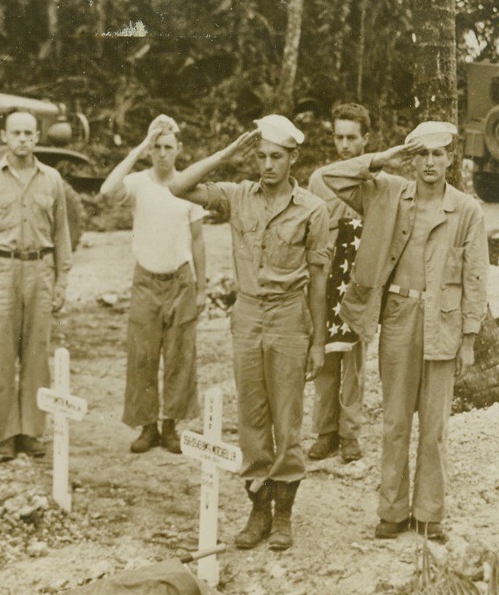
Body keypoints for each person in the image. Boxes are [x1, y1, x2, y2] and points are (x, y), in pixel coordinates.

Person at [317, 121, 488, 543]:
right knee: (394, 421)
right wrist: (380, 159)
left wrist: (468, 338)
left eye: (438, 153)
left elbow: (476, 276)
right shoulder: (388, 191)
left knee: (435, 425)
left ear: (451, 157)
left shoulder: (466, 210)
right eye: (421, 154)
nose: (429, 163)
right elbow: (327, 177)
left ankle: (429, 514)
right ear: (410, 158)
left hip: (443, 321)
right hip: (397, 314)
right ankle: (392, 511)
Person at [170, 115, 329, 551]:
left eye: (276, 157)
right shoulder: (239, 196)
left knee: (287, 418)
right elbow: (178, 187)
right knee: (251, 418)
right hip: (248, 314)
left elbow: (319, 278)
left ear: (293, 158)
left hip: (289, 317)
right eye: (260, 156)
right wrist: (224, 155)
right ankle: (258, 509)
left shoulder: (313, 209)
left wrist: (317, 341)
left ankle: (283, 516)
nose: (267, 165)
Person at [0, 108, 72, 462]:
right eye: (16, 133)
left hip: (40, 271)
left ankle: (31, 431)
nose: (23, 139)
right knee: (2, 356)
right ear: (4, 137)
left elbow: (62, 235)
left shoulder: (52, 180)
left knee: (37, 355)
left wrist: (61, 281)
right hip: (1, 270)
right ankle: (4, 435)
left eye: (29, 133)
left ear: (37, 138)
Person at [100, 114, 205, 455]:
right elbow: (106, 191)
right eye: (156, 147)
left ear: (179, 150)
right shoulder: (138, 183)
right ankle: (147, 427)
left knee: (179, 355)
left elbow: (199, 240)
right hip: (146, 279)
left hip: (181, 280)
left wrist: (202, 289)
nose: (161, 153)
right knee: (143, 355)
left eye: (167, 147)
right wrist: (139, 147)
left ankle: (171, 426)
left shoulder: (189, 186)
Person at [307, 102, 371, 464]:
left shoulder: (374, 179)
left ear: (366, 139)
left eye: (352, 137)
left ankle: (350, 433)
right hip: (326, 275)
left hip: (359, 277)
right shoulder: (320, 179)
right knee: (324, 354)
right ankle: (325, 431)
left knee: (354, 359)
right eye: (339, 137)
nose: (344, 145)